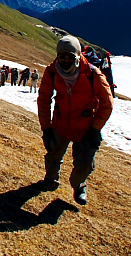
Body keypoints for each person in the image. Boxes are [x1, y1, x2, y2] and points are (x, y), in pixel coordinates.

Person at [37, 35, 113, 205]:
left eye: (69, 57)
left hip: (85, 127)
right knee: (53, 154)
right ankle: (50, 180)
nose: (65, 60)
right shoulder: (52, 72)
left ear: (77, 56)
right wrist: (46, 128)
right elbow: (44, 99)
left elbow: (107, 103)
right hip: (61, 123)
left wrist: (95, 129)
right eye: (61, 56)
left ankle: (78, 186)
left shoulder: (92, 73)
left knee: (85, 164)